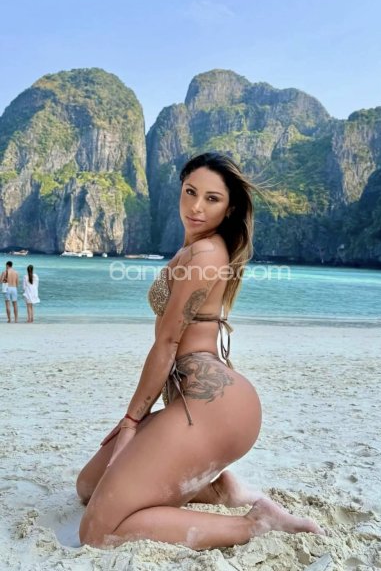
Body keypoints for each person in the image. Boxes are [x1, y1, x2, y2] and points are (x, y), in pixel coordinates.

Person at [76, 152, 324, 549]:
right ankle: (221, 488)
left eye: (212, 199)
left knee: (97, 531)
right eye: (190, 192)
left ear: (229, 208)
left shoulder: (207, 255)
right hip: (200, 402)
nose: (196, 207)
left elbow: (168, 343)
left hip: (216, 410)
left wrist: (131, 421)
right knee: (88, 487)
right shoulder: (196, 249)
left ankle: (256, 523)